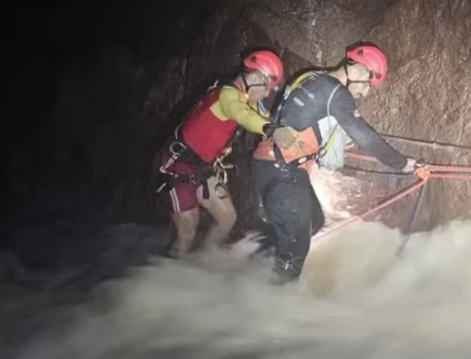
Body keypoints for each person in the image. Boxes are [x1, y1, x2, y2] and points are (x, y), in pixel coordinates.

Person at [252, 42, 429, 282]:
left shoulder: (312, 77)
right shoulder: (336, 92)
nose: (365, 92)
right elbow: (366, 138)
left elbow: (300, 120)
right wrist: (406, 164)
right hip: (283, 171)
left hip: (272, 166)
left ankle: (253, 268)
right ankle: (271, 298)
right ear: (357, 69)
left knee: (314, 222)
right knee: (296, 250)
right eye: (368, 82)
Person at [156, 49, 285, 258]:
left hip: (202, 167)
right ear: (255, 78)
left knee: (227, 218)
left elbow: (263, 116)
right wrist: (271, 130)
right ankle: (172, 272)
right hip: (178, 165)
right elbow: (243, 115)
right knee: (188, 230)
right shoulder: (228, 95)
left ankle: (203, 263)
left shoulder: (244, 97)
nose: (268, 94)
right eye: (267, 88)